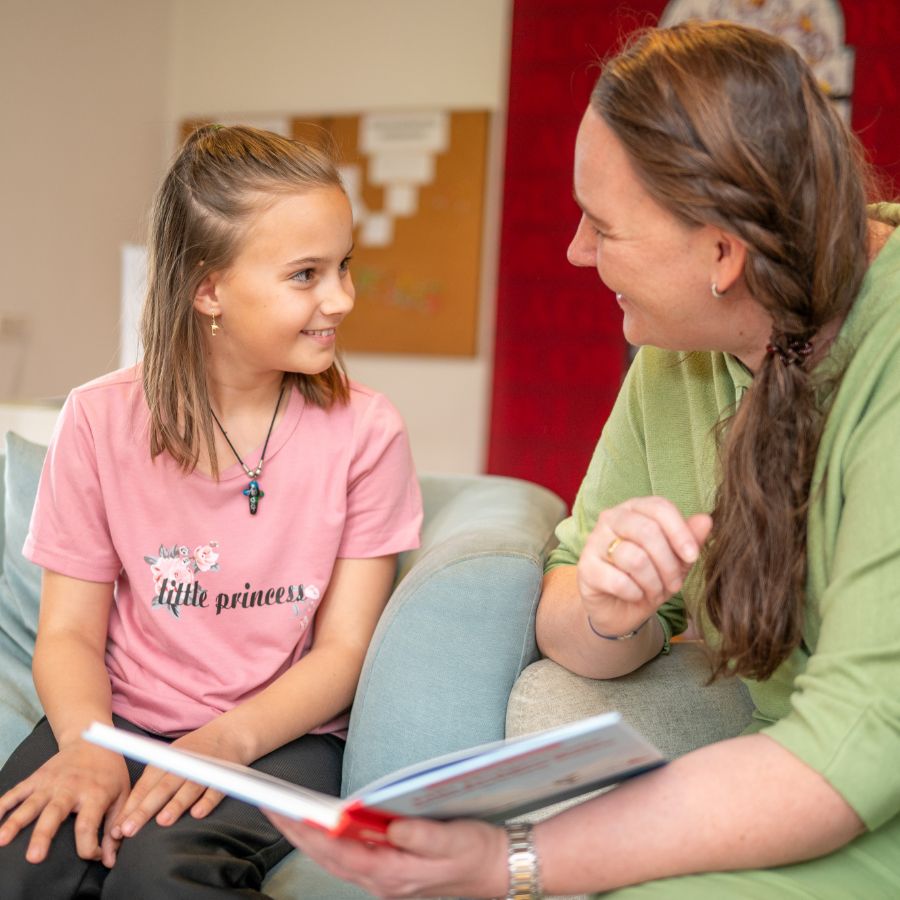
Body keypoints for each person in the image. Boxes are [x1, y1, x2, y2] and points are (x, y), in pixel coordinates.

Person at [266, 20, 900, 898]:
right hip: (802, 780)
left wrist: (512, 863)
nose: (575, 251)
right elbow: (568, 606)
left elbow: (856, 743)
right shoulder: (680, 353)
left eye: (603, 227)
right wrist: (611, 608)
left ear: (723, 251)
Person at [0, 125, 422, 898]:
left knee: (160, 874)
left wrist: (226, 740)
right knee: (21, 855)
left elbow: (344, 650)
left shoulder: (367, 431)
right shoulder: (97, 421)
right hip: (116, 717)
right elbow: (65, 633)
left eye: (344, 267)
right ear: (208, 289)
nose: (342, 298)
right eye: (306, 275)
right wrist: (88, 743)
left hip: (277, 738)